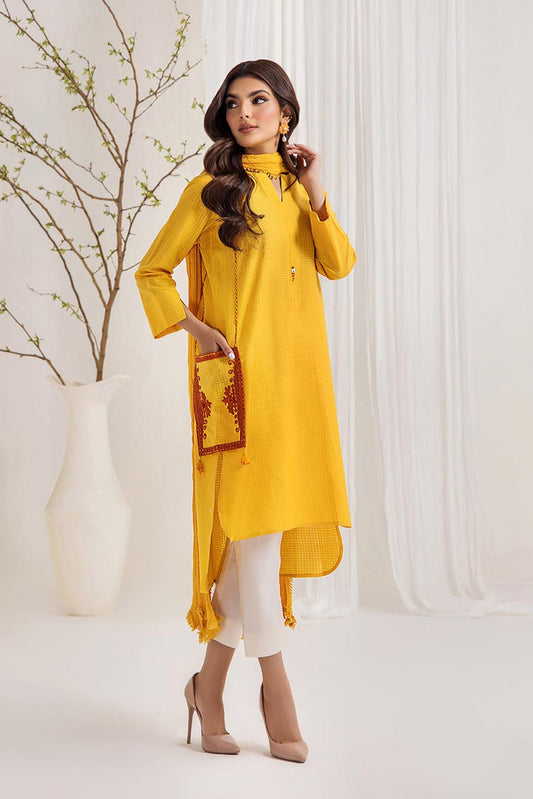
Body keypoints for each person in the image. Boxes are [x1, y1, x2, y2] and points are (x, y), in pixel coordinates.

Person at [134, 59, 356, 763]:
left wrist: (316, 189)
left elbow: (339, 263)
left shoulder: (297, 192)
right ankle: (277, 689)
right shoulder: (211, 191)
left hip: (297, 390)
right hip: (234, 389)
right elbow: (152, 271)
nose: (245, 113)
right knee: (253, 536)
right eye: (233, 103)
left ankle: (206, 688)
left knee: (255, 543)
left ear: (285, 114)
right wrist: (196, 328)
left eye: (259, 101)